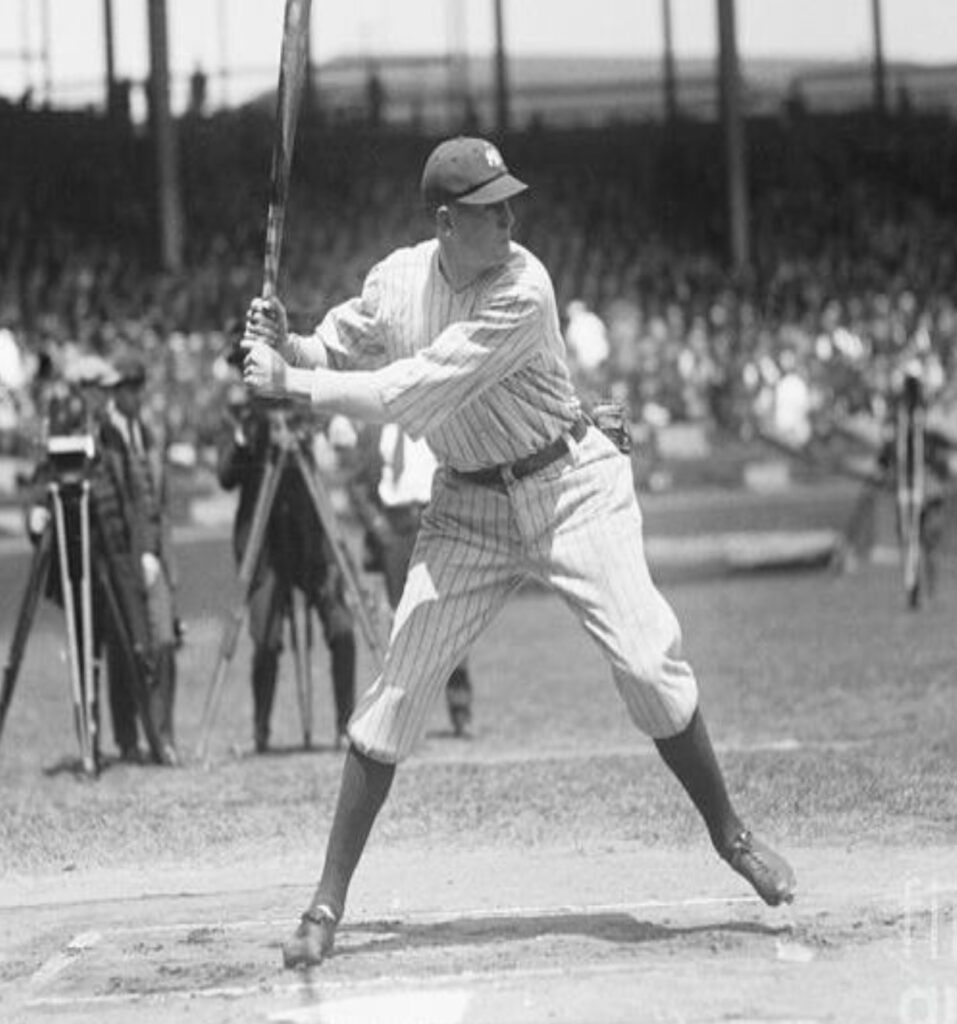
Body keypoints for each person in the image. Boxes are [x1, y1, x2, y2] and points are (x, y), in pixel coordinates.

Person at [240, 136, 796, 969]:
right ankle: (325, 904)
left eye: (507, 202)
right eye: (488, 208)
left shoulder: (523, 286)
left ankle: (730, 833)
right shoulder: (395, 281)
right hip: (467, 507)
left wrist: (291, 385)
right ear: (444, 222)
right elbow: (339, 345)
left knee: (647, 666)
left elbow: (410, 390)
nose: (508, 217)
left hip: (570, 486)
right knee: (397, 689)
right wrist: (288, 345)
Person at [216, 393, 356, 752]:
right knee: (266, 638)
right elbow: (226, 476)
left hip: (309, 545)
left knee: (342, 627)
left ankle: (347, 726)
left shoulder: (301, 408)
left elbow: (329, 429)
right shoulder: (241, 418)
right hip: (266, 551)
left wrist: (324, 425)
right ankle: (260, 731)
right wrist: (247, 436)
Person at [343, 420, 474, 736]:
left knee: (451, 616)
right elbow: (357, 485)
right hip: (395, 529)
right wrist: (378, 526)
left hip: (438, 520)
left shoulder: (439, 420)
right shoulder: (375, 429)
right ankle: (401, 714)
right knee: (399, 623)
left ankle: (461, 709)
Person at [97, 354, 182, 766]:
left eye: (131, 389)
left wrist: (158, 554)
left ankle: (163, 735)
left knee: (164, 642)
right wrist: (133, 557)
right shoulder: (105, 439)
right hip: (123, 560)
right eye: (121, 390)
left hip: (155, 557)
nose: (127, 396)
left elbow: (158, 502)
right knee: (127, 648)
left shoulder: (147, 435)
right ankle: (131, 738)